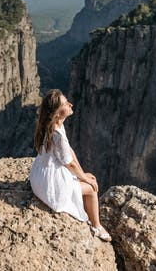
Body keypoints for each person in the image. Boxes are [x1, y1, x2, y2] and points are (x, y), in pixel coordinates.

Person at [29, 89, 111, 242]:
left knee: (89, 176)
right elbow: (69, 163)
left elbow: (70, 153)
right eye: (66, 104)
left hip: (38, 177)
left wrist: (83, 174)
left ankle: (90, 216)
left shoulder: (53, 124)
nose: (71, 104)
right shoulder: (57, 134)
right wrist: (85, 180)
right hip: (50, 187)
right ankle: (96, 226)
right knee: (93, 188)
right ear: (58, 113)